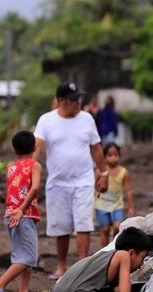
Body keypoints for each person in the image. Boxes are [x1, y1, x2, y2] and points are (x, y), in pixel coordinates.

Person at [34, 82, 109, 279]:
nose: (78, 103)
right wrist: (28, 170)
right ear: (60, 101)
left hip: (83, 180)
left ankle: (82, 265)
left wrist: (105, 173)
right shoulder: (46, 120)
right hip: (57, 182)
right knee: (61, 226)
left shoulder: (87, 119)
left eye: (79, 99)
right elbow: (37, 147)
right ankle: (61, 267)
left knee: (83, 223)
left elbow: (96, 148)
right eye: (73, 100)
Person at [0, 131, 42, 292]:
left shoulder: (10, 167)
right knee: (29, 257)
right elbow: (35, 188)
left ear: (13, 149)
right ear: (34, 147)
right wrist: (22, 210)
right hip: (22, 215)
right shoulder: (35, 165)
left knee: (21, 255)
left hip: (9, 214)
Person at [95, 143, 134, 248]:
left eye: (115, 155)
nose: (113, 158)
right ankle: (104, 250)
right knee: (105, 229)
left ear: (119, 155)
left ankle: (114, 247)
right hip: (101, 204)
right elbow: (94, 187)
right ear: (104, 157)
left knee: (117, 227)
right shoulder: (100, 171)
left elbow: (128, 190)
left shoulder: (123, 172)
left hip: (117, 205)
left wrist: (131, 207)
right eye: (110, 155)